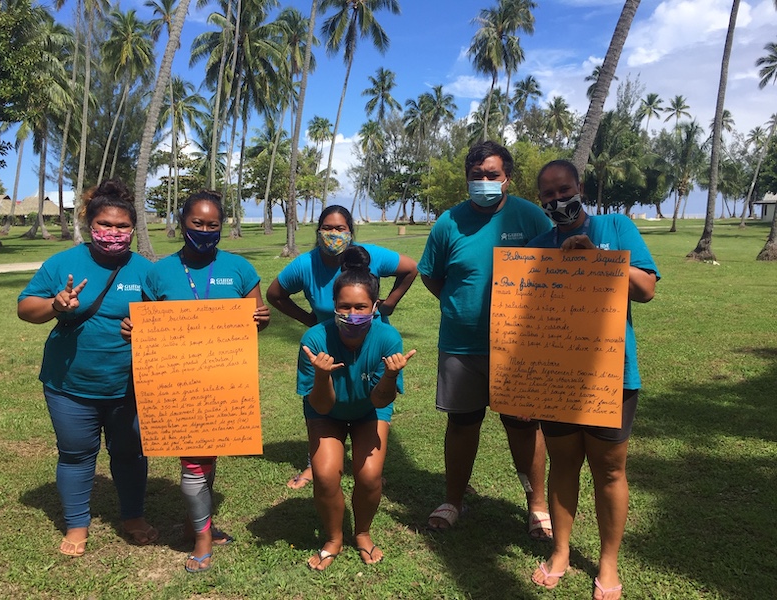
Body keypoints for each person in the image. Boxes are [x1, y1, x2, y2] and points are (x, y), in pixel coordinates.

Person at [527, 160, 659, 600]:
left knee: (609, 469)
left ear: (579, 187)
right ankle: (561, 552)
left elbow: (646, 289)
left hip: (611, 375)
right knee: (564, 464)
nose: (557, 200)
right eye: (548, 195)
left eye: (564, 190)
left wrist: (598, 262)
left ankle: (607, 561)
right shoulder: (538, 246)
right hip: (557, 375)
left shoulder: (617, 227)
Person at [418, 140, 554, 537]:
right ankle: (453, 501)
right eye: (476, 176)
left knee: (524, 426)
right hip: (462, 344)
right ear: (467, 179)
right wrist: (456, 302)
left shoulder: (530, 218)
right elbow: (431, 272)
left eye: (492, 175)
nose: (484, 182)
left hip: (517, 346)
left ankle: (538, 506)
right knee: (462, 425)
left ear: (507, 178)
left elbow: (554, 268)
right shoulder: (448, 222)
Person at [129, 190, 270, 573]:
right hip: (177, 384)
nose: (205, 231)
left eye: (213, 225)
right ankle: (203, 537)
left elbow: (257, 317)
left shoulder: (240, 269)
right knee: (193, 462)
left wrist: (261, 320)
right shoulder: (158, 273)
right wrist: (135, 330)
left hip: (224, 382)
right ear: (182, 222)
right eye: (197, 223)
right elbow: (145, 323)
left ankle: (203, 523)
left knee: (207, 454)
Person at [17, 179, 158, 557]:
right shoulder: (63, 263)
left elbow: (168, 321)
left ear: (133, 228)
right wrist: (55, 305)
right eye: (106, 225)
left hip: (127, 384)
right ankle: (77, 524)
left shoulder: (146, 271)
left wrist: (144, 328)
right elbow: (25, 308)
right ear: (89, 223)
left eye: (122, 226)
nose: (113, 233)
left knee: (129, 453)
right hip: (69, 383)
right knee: (77, 454)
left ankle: (132, 517)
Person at [267, 205, 417, 489]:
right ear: (318, 230)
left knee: (369, 394)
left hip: (368, 343)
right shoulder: (306, 265)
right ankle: (315, 463)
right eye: (327, 228)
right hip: (328, 343)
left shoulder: (370, 255)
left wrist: (390, 304)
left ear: (351, 231)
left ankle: (367, 463)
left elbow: (410, 268)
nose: (333, 234)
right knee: (319, 401)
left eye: (340, 229)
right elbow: (275, 294)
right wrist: (309, 320)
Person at [298, 246, 415, 571]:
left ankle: (362, 532)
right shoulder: (314, 340)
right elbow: (320, 404)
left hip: (368, 411)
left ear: (375, 307)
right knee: (324, 475)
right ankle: (334, 538)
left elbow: (380, 401)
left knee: (369, 476)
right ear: (333, 307)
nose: (352, 314)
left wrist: (390, 375)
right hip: (327, 414)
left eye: (361, 307)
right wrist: (322, 376)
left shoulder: (388, 338)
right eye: (344, 307)